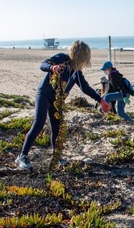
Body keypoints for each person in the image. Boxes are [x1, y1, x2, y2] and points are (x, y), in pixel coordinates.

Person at [15, 40, 111, 170]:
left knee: (57, 128)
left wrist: (100, 100)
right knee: (39, 123)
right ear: (79, 55)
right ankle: (22, 156)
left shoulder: (76, 71)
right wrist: (52, 68)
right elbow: (43, 64)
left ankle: (57, 156)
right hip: (44, 95)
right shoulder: (62, 59)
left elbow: (85, 88)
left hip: (57, 101)